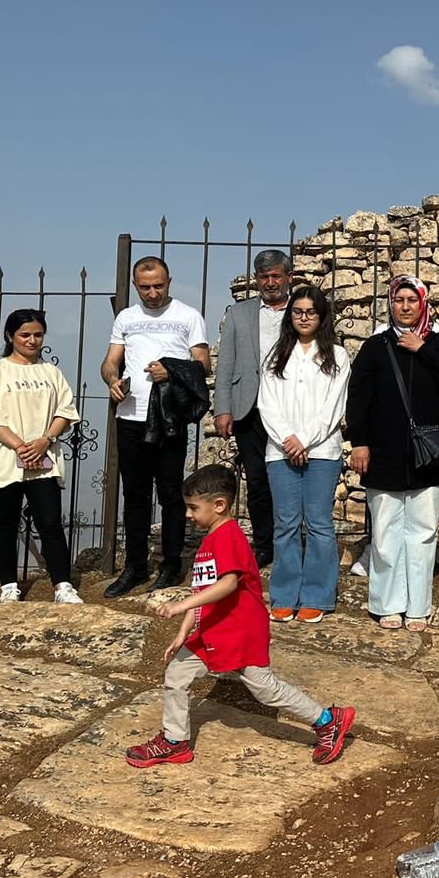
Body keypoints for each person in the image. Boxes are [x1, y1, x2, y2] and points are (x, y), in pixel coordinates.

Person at [124, 464, 356, 769]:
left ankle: (328, 720)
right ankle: (174, 741)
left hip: (240, 631)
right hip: (211, 631)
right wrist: (184, 631)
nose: (189, 515)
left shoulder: (229, 537)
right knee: (176, 676)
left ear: (219, 505)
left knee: (265, 689)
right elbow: (203, 592)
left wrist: (180, 605)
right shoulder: (209, 542)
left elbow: (228, 584)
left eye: (194, 508)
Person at [347, 275, 439, 632]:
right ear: (391, 304)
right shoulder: (376, 346)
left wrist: (422, 349)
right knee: (385, 531)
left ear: (423, 303)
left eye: (413, 300)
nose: (406, 306)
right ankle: (388, 603)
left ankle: (418, 605)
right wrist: (359, 442)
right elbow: (358, 397)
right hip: (383, 451)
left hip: (425, 454)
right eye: (400, 300)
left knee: (423, 530)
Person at [100, 256, 211, 597]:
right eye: (145, 287)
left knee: (171, 494)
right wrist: (112, 381)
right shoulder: (126, 318)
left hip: (168, 418)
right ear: (135, 286)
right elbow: (109, 362)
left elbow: (203, 364)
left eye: (158, 286)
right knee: (134, 495)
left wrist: (171, 371)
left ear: (169, 281)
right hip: (131, 416)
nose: (152, 293)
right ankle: (135, 567)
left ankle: (171, 564)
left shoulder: (188, 316)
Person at [0, 309, 83, 604]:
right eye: (25, 335)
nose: (32, 341)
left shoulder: (51, 372)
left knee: (50, 523)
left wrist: (45, 440)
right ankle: (8, 584)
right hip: (5, 457)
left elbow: (65, 411)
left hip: (43, 459)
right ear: (10, 337)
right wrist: (20, 445)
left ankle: (63, 585)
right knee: (6, 523)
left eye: (37, 335)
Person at [257, 284, 350, 624]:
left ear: (322, 316)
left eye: (311, 312)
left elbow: (332, 406)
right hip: (280, 451)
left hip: (322, 450)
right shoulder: (275, 355)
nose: (304, 317)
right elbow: (267, 404)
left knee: (319, 523)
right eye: (298, 312)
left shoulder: (337, 356)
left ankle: (317, 596)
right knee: (285, 525)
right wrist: (287, 440)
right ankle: (284, 595)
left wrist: (305, 440)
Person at [212, 249, 293, 568]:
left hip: (289, 408)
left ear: (288, 277)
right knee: (257, 481)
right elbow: (226, 362)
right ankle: (264, 546)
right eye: (264, 277)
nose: (270, 282)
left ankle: (289, 544)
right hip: (249, 407)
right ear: (256, 280)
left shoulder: (301, 311)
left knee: (288, 478)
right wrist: (222, 407)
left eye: (276, 276)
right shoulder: (239, 313)